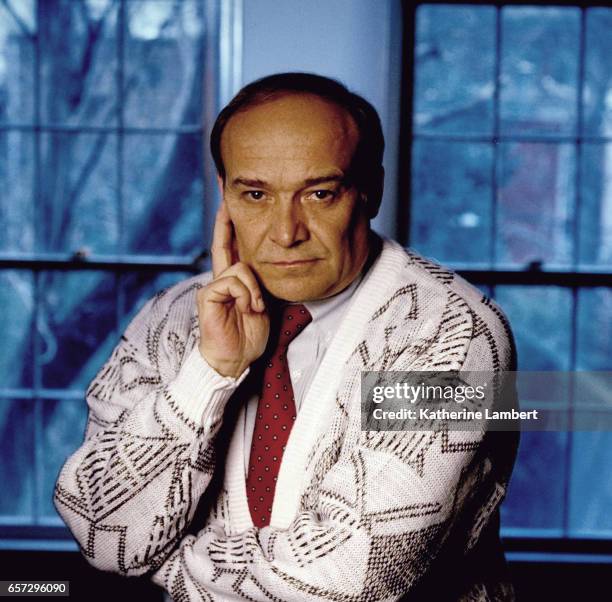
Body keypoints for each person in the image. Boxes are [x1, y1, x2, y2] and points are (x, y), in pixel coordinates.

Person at [54, 72, 519, 601]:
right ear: (225, 194)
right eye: (255, 194)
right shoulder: (171, 318)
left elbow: (347, 580)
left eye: (319, 193)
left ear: (370, 191)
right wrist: (208, 373)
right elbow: (106, 536)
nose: (285, 232)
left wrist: (175, 567)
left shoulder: (452, 332)